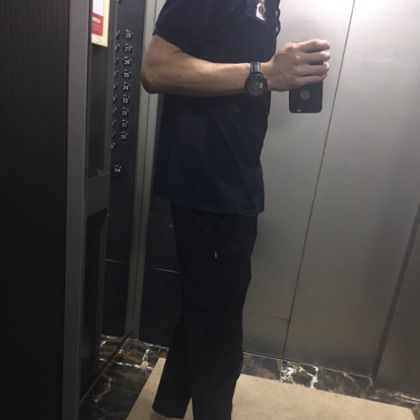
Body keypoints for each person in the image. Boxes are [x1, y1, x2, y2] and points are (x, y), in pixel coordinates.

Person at [140, 1, 330, 419]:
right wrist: (264, 72)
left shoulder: (268, 5)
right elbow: (155, 68)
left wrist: (273, 73)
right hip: (207, 183)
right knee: (220, 333)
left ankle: (167, 408)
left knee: (208, 310)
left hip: (236, 177)